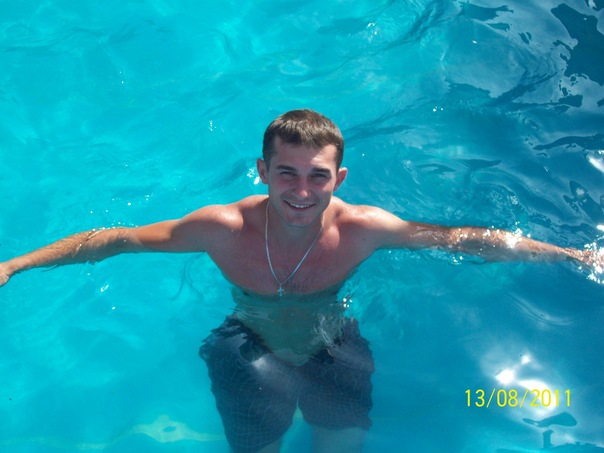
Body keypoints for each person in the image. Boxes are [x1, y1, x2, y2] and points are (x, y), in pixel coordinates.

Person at [0, 109, 601, 453]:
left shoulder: (364, 229)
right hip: (246, 346)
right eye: (286, 173)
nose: (302, 191)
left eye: (318, 176)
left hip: (333, 341)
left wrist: (574, 255)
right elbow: (114, 239)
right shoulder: (221, 228)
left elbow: (464, 240)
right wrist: (13, 265)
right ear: (262, 171)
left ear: (339, 178)